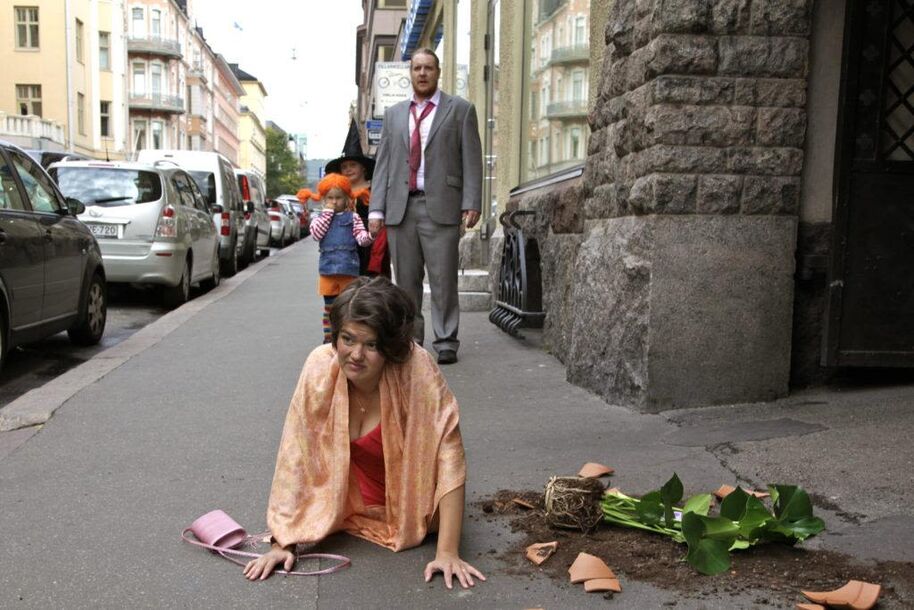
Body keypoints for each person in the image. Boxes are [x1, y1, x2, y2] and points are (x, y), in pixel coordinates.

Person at [243, 276, 486, 590]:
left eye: (371, 344)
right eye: (347, 339)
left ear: (391, 348)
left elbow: (448, 455)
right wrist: (282, 542)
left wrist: (448, 552)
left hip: (418, 507)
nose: (355, 354)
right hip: (348, 504)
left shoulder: (416, 369)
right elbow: (295, 456)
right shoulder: (319, 367)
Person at [369, 48, 483, 365]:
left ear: (438, 72)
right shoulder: (393, 115)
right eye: (417, 68)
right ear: (410, 73)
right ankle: (411, 341)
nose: (422, 73)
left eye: (428, 68)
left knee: (444, 278)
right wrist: (376, 209)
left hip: (442, 207)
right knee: (405, 282)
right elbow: (384, 165)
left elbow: (471, 160)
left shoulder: (460, 110)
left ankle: (446, 340)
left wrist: (472, 201)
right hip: (400, 208)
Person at [299, 174, 373, 343]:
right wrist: (327, 215)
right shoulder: (319, 219)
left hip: (349, 270)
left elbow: (361, 239)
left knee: (349, 306)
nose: (334, 202)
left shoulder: (353, 217)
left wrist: (370, 236)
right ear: (323, 199)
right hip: (328, 271)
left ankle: (347, 335)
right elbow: (317, 235)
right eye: (330, 198)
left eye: (338, 198)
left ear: (347, 198)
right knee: (330, 308)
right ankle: (330, 337)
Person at [325, 147, 390, 278]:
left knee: (374, 285)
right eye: (344, 167)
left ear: (363, 168)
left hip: (372, 243)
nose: (348, 169)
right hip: (344, 246)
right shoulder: (337, 194)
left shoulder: (376, 190)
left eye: (353, 165)